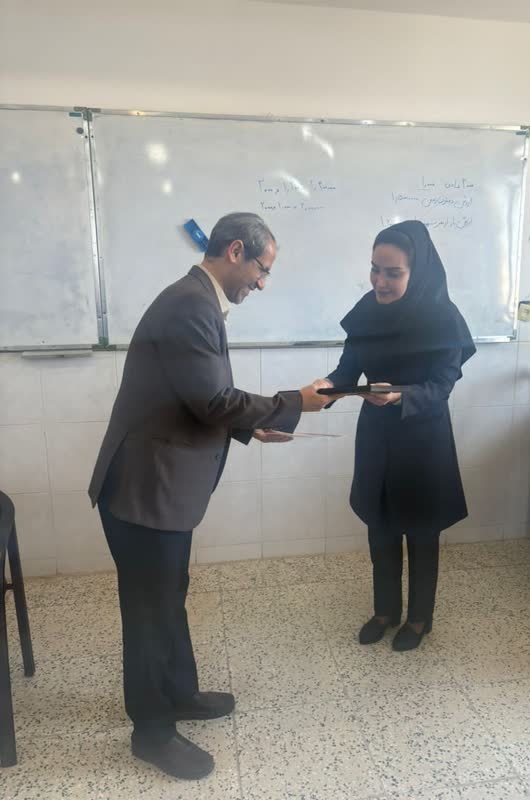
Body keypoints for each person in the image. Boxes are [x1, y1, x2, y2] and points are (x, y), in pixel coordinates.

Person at [88, 212, 331, 780]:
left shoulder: (198, 300)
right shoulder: (189, 305)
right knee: (150, 611)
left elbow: (196, 396)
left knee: (168, 596)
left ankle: (179, 694)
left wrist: (253, 425)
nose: (262, 284)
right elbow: (215, 401)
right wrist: (294, 401)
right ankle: (151, 732)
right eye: (262, 270)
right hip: (144, 491)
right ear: (236, 251)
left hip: (160, 487)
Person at [321, 220, 475, 652]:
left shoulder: (442, 317)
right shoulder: (367, 310)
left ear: (417, 271)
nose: (380, 281)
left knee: (422, 532)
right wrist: (322, 390)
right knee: (381, 526)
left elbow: (441, 385)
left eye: (393, 273)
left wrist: (399, 395)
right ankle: (384, 610)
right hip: (378, 434)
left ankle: (420, 618)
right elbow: (347, 372)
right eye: (375, 269)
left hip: (424, 438)